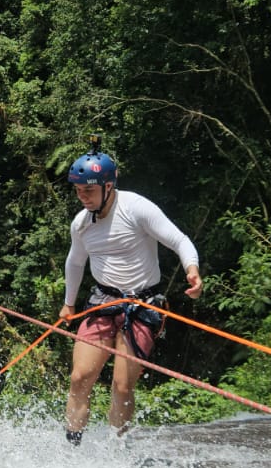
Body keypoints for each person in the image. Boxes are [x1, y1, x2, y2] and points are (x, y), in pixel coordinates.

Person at [57, 147, 202, 444]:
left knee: (122, 386)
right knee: (80, 377)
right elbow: (75, 262)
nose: (82, 196)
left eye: (88, 190)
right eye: (77, 191)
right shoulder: (81, 223)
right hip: (102, 302)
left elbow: (179, 240)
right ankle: (71, 448)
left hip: (142, 304)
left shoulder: (136, 208)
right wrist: (69, 303)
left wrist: (192, 269)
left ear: (108, 186)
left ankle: (116, 450)